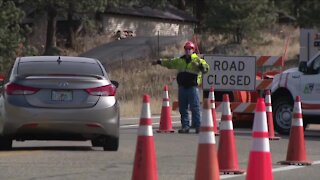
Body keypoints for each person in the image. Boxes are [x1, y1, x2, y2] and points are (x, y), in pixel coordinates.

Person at [152, 41, 210, 133]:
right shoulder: (180, 60)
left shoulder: (198, 60)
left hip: (192, 88)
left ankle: (198, 126)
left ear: (193, 50)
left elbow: (206, 69)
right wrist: (159, 62)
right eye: (186, 49)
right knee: (183, 108)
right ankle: (185, 126)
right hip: (182, 87)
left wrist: (199, 66)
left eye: (190, 49)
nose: (187, 51)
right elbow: (169, 63)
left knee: (195, 108)